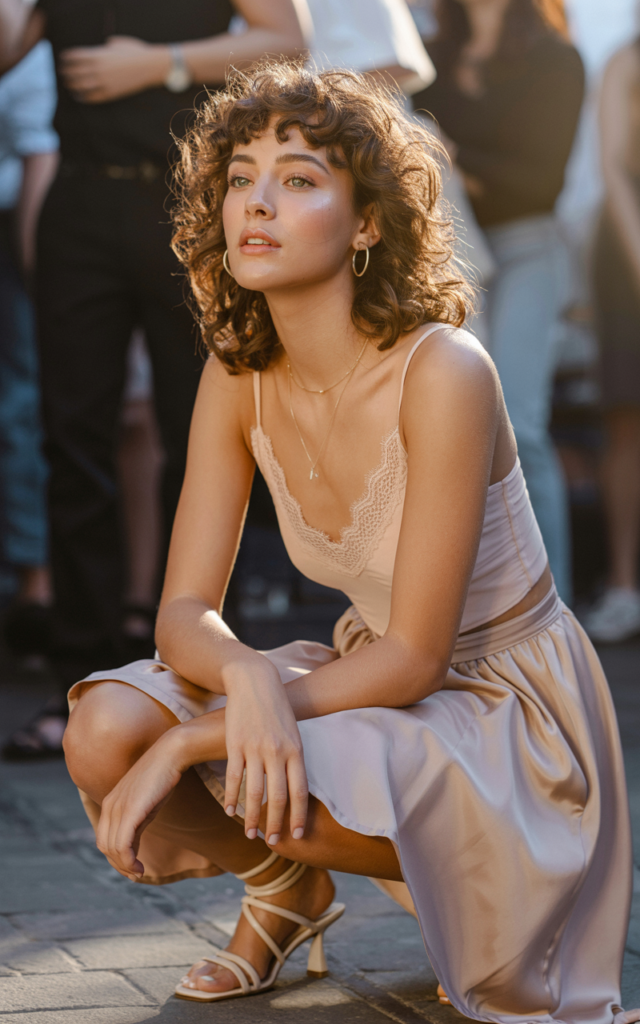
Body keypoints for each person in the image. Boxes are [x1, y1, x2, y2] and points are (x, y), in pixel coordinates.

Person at [61, 63, 637, 1023]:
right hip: (364, 677)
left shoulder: (443, 369)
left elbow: (416, 658)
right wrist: (245, 681)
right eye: (241, 175)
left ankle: (483, 880)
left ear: (368, 223)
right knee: (105, 732)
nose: (257, 201)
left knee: (208, 756)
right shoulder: (236, 373)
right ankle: (288, 892)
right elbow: (181, 611)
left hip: (506, 715)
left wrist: (197, 741)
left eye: (298, 179)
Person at [0, 0, 307, 759]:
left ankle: (195, 678)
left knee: (201, 437)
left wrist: (161, 65)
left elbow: (289, 39)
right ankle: (87, 677)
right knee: (72, 438)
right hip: (79, 198)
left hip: (184, 202)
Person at [412, 0, 584, 604]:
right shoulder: (430, 57)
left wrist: (455, 160)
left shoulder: (557, 61)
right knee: (462, 427)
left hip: (529, 250)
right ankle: (475, 606)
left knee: (523, 427)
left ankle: (550, 610)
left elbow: (542, 182)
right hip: (454, 248)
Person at [0, 40, 57, 668]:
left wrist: (38, 269)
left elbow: (40, 147)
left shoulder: (36, 41)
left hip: (15, 221)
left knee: (19, 405)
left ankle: (36, 583)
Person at [584, 39, 640, 643]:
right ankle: (625, 586)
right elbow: (615, 170)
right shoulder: (627, 59)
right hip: (628, 249)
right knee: (629, 419)